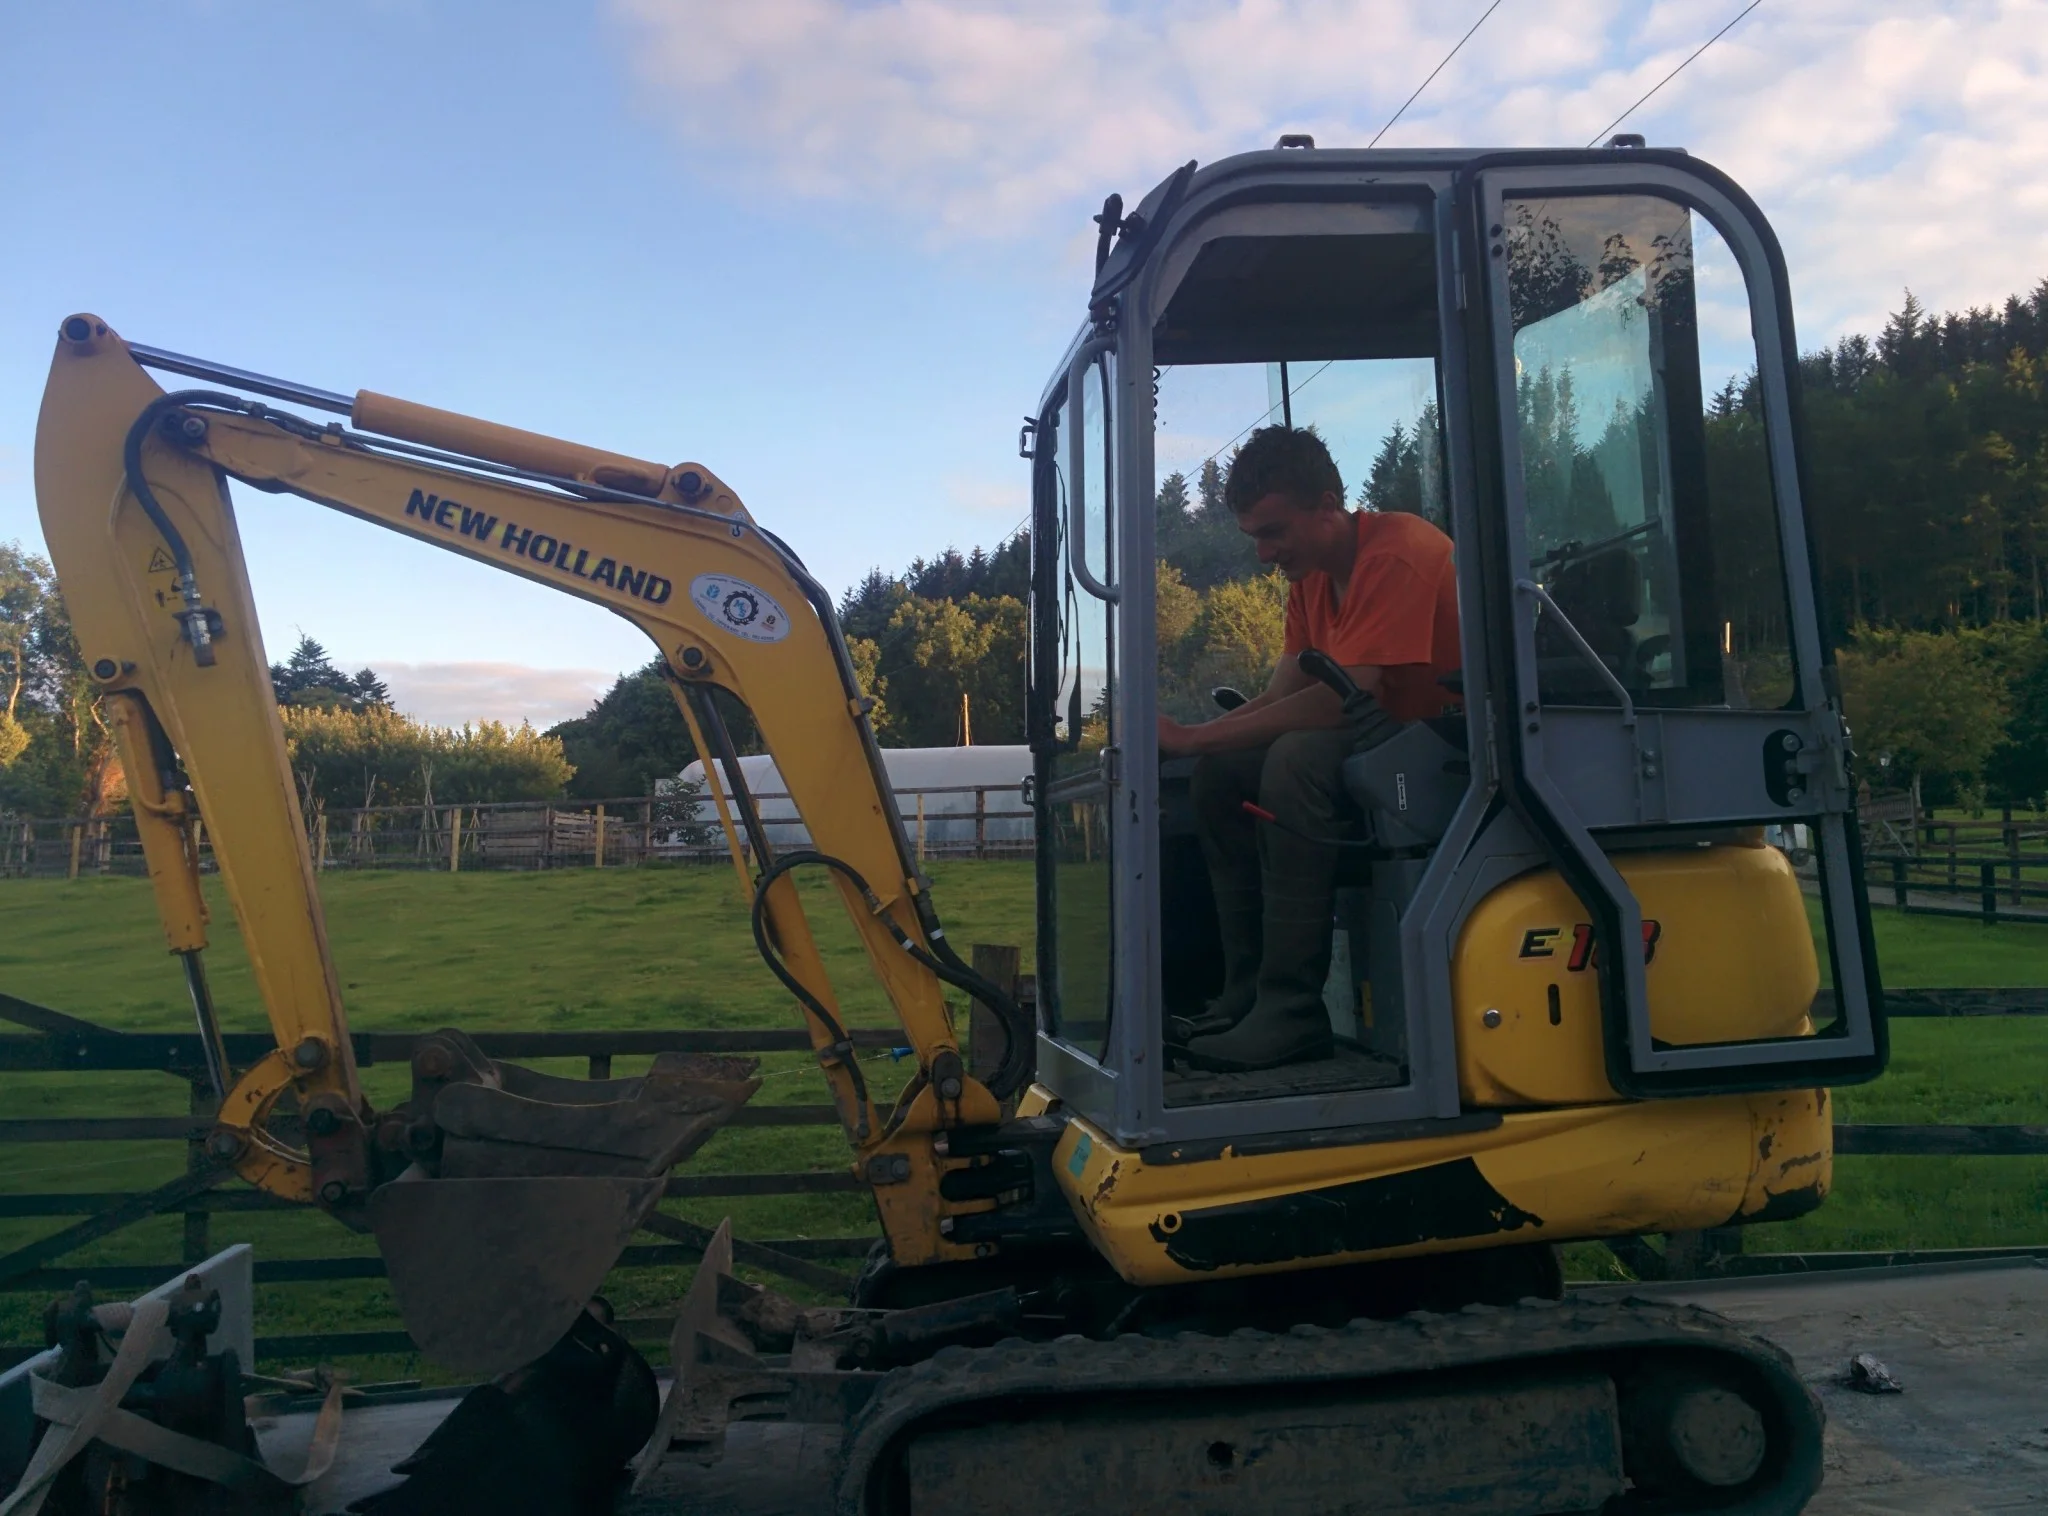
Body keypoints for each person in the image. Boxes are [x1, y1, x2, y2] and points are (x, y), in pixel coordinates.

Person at [1156, 426, 1460, 1073]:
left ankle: (1291, 1012)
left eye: (1274, 532)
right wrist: (1194, 745)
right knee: (1221, 774)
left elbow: (1338, 702)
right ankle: (1245, 991)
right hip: (1378, 752)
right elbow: (1284, 691)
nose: (1265, 553)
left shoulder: (1396, 554)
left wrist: (1190, 737)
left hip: (1447, 758)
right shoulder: (1312, 580)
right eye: (1255, 537)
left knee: (1294, 760)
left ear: (1327, 506)